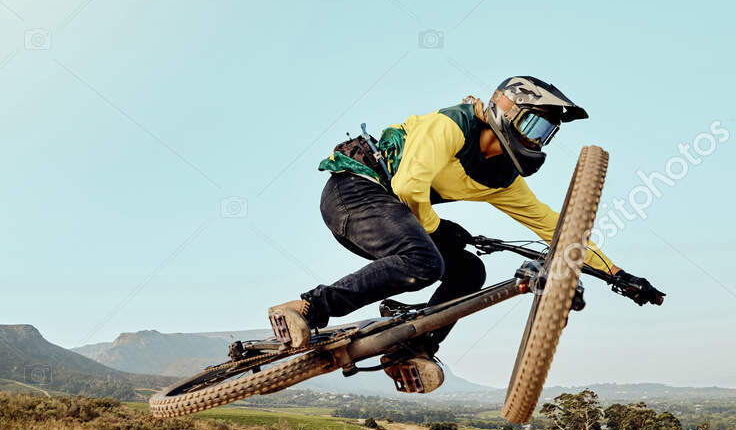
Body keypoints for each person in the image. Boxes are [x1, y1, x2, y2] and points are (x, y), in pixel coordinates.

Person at [269, 75, 662, 393]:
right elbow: (408, 186)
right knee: (424, 261)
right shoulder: (452, 126)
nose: (537, 140)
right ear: (506, 109)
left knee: (469, 271)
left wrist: (616, 274)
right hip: (353, 194)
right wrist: (440, 228)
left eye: (546, 134)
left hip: (394, 215)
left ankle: (413, 349)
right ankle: (305, 309)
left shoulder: (503, 179)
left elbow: (555, 228)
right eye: (534, 125)